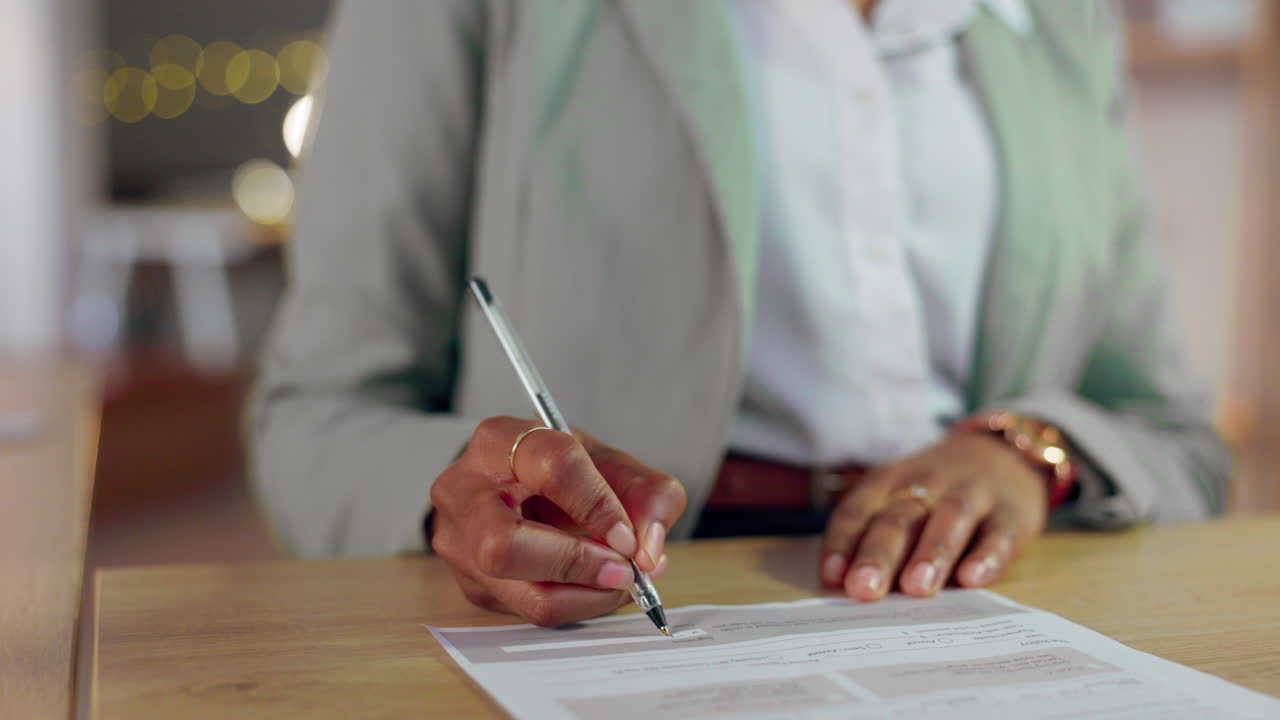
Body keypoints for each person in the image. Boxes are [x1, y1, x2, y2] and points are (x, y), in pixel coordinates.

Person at [250, 0, 1230, 627]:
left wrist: (1026, 454)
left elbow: (1174, 438)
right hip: (629, 620)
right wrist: (449, 503)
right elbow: (316, 417)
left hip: (989, 608)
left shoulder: (1059, 22)